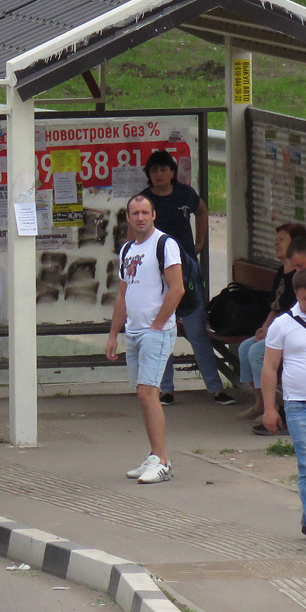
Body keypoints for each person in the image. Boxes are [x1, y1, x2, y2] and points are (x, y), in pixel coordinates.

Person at [141, 149, 234, 405]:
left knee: (197, 332)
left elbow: (202, 210)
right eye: (154, 170)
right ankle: (166, 388)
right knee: (162, 331)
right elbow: (133, 235)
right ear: (149, 175)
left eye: (164, 169)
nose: (159, 175)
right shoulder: (145, 200)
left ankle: (215, 388)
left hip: (186, 272)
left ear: (172, 172)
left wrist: (200, 242)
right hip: (156, 276)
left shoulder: (185, 194)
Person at [107, 193, 186, 484]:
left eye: (145, 212)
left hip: (156, 331)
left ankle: (162, 461)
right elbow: (122, 294)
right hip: (134, 330)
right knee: (143, 395)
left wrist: (157, 325)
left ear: (153, 215)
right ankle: (155, 455)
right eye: (134, 213)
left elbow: (177, 289)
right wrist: (114, 334)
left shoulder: (166, 245)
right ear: (128, 218)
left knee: (148, 392)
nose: (140, 217)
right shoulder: (128, 249)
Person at [258, 267, 306, 553]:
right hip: (300, 407)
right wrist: (270, 409)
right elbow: (270, 369)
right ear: (297, 295)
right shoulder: (283, 324)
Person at [249, 234, 306, 434]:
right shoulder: (294, 277)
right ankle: (271, 408)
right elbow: (283, 307)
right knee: (253, 350)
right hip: (293, 330)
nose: (297, 271)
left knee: (256, 353)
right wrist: (268, 326)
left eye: (299, 266)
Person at [238, 225, 306, 419]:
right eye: (276, 239)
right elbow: (276, 306)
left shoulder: (303, 274)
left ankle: (276, 407)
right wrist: (265, 327)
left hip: (294, 332)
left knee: (256, 352)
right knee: (245, 347)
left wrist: (271, 332)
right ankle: (261, 403)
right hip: (277, 327)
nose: (276, 244)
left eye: (282, 240)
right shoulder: (282, 272)